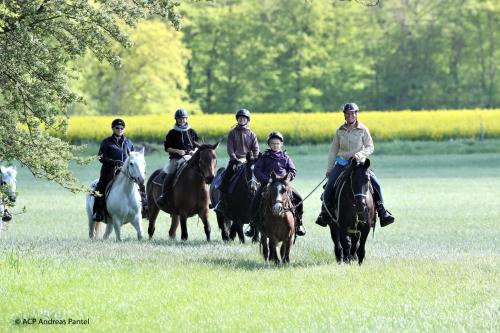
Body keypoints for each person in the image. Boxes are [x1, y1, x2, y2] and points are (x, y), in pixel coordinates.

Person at [315, 102, 395, 227]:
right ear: (345, 115)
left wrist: (360, 155)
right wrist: (329, 169)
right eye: (348, 113)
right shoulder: (339, 131)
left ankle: (383, 212)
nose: (350, 116)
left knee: (376, 184)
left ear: (356, 114)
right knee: (329, 185)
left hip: (359, 164)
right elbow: (333, 151)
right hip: (342, 163)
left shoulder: (363, 129)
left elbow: (370, 146)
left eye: (353, 113)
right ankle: (324, 213)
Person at [249, 131, 306, 236]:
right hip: (268, 184)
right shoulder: (265, 157)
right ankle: (253, 226)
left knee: (299, 198)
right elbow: (257, 169)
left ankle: (299, 224)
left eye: (277, 143)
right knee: (255, 201)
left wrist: (287, 180)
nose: (275, 145)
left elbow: (293, 170)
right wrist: (266, 180)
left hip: (283, 185)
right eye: (273, 143)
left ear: (281, 144)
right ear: (269, 144)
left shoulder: (285, 157)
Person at [92, 118, 143, 221]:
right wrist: (114, 162)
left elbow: (133, 156)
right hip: (110, 171)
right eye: (117, 128)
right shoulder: (106, 142)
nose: (120, 129)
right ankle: (98, 211)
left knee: (140, 182)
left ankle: (145, 207)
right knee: (101, 186)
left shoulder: (128, 142)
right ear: (113, 128)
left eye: (122, 128)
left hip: (127, 171)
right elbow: (101, 157)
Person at [214, 108, 259, 214]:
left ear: (248, 120)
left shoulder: (252, 134)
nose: (242, 120)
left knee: (259, 179)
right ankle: (221, 202)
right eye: (240, 118)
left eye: (244, 118)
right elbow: (230, 149)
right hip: (235, 161)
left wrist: (253, 159)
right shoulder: (232, 133)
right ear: (237, 119)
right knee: (225, 179)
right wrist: (236, 160)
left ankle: (260, 202)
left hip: (249, 161)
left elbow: (256, 149)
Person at [157, 108, 200, 206]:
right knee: (171, 173)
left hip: (191, 157)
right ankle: (164, 195)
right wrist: (178, 151)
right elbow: (167, 148)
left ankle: (207, 197)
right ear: (176, 119)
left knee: (203, 170)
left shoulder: (192, 131)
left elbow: (198, 145)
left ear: (186, 119)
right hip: (176, 159)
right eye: (179, 119)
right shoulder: (172, 133)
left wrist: (194, 151)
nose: (182, 120)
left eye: (184, 118)